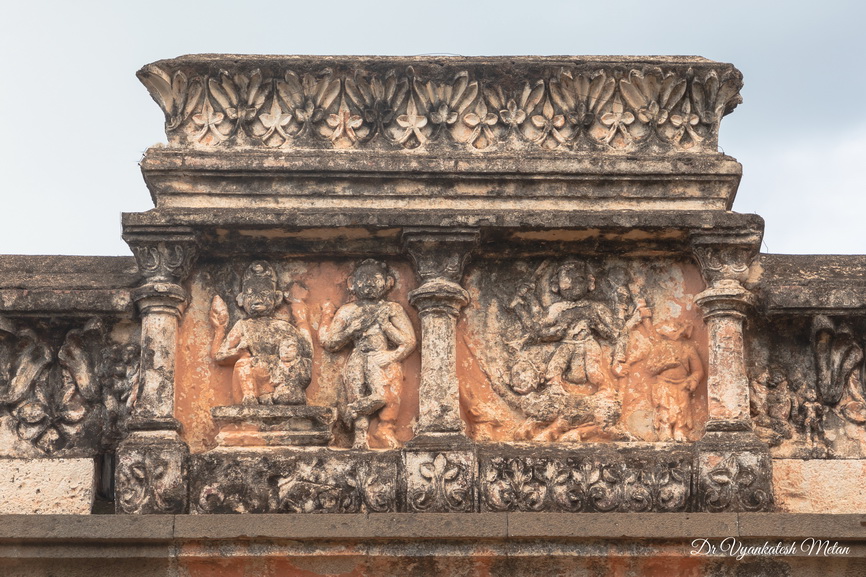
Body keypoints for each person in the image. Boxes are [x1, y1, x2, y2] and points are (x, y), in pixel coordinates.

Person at [319, 259, 416, 449]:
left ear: (388, 282)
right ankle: (360, 437)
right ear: (351, 283)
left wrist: (393, 352)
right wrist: (349, 330)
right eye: (363, 279)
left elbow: (409, 340)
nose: (369, 283)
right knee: (357, 392)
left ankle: (362, 417)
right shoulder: (348, 311)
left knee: (384, 397)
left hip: (381, 358)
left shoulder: (391, 309)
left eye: (375, 279)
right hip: (358, 357)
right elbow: (330, 342)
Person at [210, 261, 312, 406]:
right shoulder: (243, 325)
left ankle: (276, 394)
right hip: (255, 375)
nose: (258, 299)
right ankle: (250, 397)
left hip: (279, 377)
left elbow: (307, 351)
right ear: (241, 299)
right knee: (243, 363)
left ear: (276, 298)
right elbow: (219, 355)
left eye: (264, 293)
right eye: (251, 294)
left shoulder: (283, 327)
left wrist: (302, 320)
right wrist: (221, 330)